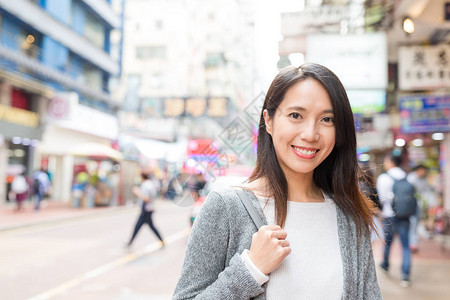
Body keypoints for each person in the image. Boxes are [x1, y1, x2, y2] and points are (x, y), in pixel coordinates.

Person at [173, 64, 381, 299]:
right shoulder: (226, 207)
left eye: (327, 119)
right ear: (268, 121)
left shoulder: (350, 216)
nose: (310, 134)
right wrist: (251, 270)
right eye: (296, 115)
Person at [376, 153, 412, 287]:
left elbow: (382, 198)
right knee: (406, 246)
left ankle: (385, 265)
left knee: (388, 242)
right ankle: (405, 276)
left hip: (389, 215)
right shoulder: (407, 176)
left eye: (386, 161)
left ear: (391, 162)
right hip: (404, 215)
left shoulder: (384, 178)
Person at [127, 172, 164, 247]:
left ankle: (130, 242)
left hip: (146, 210)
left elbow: (146, 198)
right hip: (148, 209)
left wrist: (137, 193)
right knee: (146, 226)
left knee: (139, 226)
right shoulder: (150, 184)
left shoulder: (145, 185)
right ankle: (161, 240)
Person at [407, 164, 436, 252]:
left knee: (414, 224)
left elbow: (426, 191)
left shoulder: (422, 180)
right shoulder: (411, 178)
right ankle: (411, 243)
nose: (424, 173)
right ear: (419, 170)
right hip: (410, 206)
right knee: (412, 224)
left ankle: (413, 243)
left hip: (417, 206)